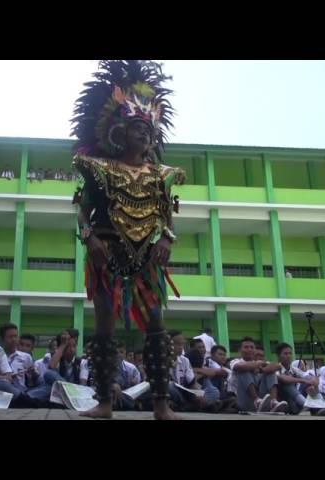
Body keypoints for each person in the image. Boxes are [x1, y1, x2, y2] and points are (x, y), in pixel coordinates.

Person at [71, 60, 185, 420]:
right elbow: (82, 209)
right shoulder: (99, 168)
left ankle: (161, 405)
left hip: (149, 256)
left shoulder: (162, 175)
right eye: (137, 128)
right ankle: (104, 403)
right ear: (121, 132)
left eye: (148, 130)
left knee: (155, 322)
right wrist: (90, 240)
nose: (144, 135)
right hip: (107, 250)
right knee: (104, 321)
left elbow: (167, 212)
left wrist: (167, 237)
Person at [229, 337, 287, 413]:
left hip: (263, 401)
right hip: (243, 401)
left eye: (252, 347)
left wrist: (261, 369)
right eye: (246, 347)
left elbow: (278, 366)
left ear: (255, 350)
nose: (249, 349)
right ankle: (256, 400)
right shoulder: (235, 361)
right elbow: (241, 367)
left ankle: (273, 402)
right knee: (244, 370)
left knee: (270, 371)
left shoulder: (259, 363)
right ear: (240, 350)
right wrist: (257, 365)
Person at [275, 343, 319, 414]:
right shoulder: (275, 368)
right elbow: (285, 379)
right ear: (279, 356)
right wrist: (305, 381)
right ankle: (308, 405)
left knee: (309, 385)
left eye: (290, 353)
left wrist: (314, 380)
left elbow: (307, 376)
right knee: (287, 384)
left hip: (295, 399)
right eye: (285, 354)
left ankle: (317, 405)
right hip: (282, 400)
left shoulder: (294, 369)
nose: (288, 356)